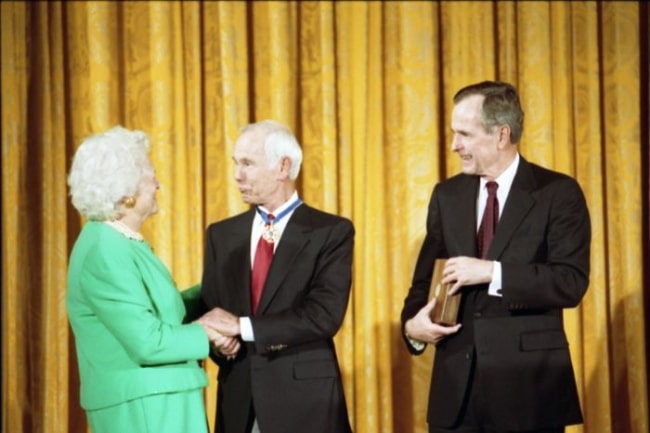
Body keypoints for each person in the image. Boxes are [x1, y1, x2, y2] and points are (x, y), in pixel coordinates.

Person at [400, 81, 591, 433]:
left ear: (501, 135)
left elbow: (570, 282)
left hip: (528, 393)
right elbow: (424, 283)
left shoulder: (557, 193)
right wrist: (413, 327)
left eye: (465, 134)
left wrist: (492, 272)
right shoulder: (447, 195)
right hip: (455, 398)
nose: (455, 145)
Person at [66, 125, 239, 433]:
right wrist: (208, 332)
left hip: (160, 401)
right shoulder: (105, 250)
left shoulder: (120, 242)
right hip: (144, 408)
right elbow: (147, 341)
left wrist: (220, 287)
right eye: (150, 176)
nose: (158, 184)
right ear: (127, 193)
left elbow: (160, 311)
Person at [199, 120, 354, 433]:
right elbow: (213, 309)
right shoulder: (221, 235)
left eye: (248, 163)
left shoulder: (330, 232)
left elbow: (323, 316)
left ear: (283, 166)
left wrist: (242, 328)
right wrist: (219, 342)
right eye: (235, 163)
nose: (236, 175)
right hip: (239, 398)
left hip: (304, 402)